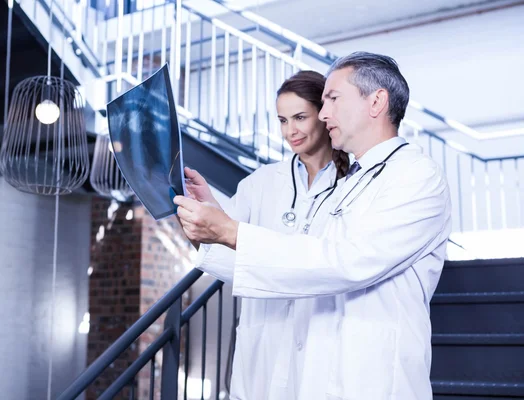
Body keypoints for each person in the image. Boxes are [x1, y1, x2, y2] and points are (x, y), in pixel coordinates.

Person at [176, 52, 452, 400]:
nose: (324, 114)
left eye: (333, 99)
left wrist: (232, 231)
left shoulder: (415, 176)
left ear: (377, 101)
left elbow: (345, 261)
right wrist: (219, 226)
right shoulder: (355, 181)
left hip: (376, 383)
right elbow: (300, 261)